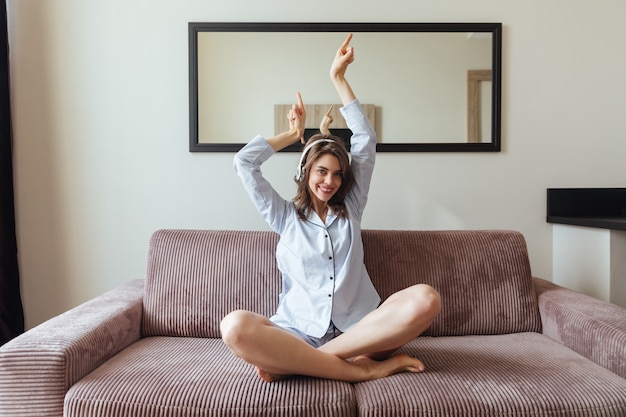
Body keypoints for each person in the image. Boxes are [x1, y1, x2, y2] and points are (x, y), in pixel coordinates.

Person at [221, 34, 441, 383]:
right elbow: (244, 163)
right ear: (306, 172)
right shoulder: (285, 217)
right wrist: (293, 136)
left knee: (427, 299)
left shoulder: (351, 207)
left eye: (337, 174)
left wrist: (339, 79)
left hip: (362, 332)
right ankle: (362, 369)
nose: (330, 182)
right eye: (321, 172)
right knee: (234, 326)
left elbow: (366, 142)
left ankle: (308, 363)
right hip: (299, 331)